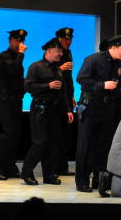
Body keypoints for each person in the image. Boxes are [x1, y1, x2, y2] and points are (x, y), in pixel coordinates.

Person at [75, 35, 121, 192]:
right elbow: (81, 79)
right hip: (90, 107)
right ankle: (82, 181)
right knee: (86, 144)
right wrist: (101, 85)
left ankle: (100, 179)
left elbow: (116, 88)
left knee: (104, 145)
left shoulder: (119, 64)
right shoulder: (93, 59)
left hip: (108, 109)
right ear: (114, 47)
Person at [21, 38, 74, 186]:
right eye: (58, 51)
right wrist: (48, 86)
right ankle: (26, 173)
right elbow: (28, 87)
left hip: (55, 110)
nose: (61, 53)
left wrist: (68, 110)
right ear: (49, 51)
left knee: (53, 143)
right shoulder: (36, 67)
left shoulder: (57, 68)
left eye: (61, 51)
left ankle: (49, 175)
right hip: (40, 109)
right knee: (40, 142)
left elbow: (63, 92)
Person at [0, 29, 28, 180]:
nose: (20, 43)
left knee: (16, 134)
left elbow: (17, 77)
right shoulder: (3, 56)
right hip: (6, 99)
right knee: (8, 133)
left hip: (17, 99)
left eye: (22, 41)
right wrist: (21, 54)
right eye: (17, 40)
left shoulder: (16, 56)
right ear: (10, 40)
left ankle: (10, 166)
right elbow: (12, 70)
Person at [55, 27, 76, 176]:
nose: (68, 42)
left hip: (67, 96)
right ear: (59, 39)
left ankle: (62, 167)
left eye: (69, 39)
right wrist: (60, 68)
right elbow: (46, 72)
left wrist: (72, 96)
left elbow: (68, 79)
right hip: (56, 98)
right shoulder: (53, 51)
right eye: (65, 39)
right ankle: (54, 167)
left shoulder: (68, 53)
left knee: (66, 134)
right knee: (57, 134)